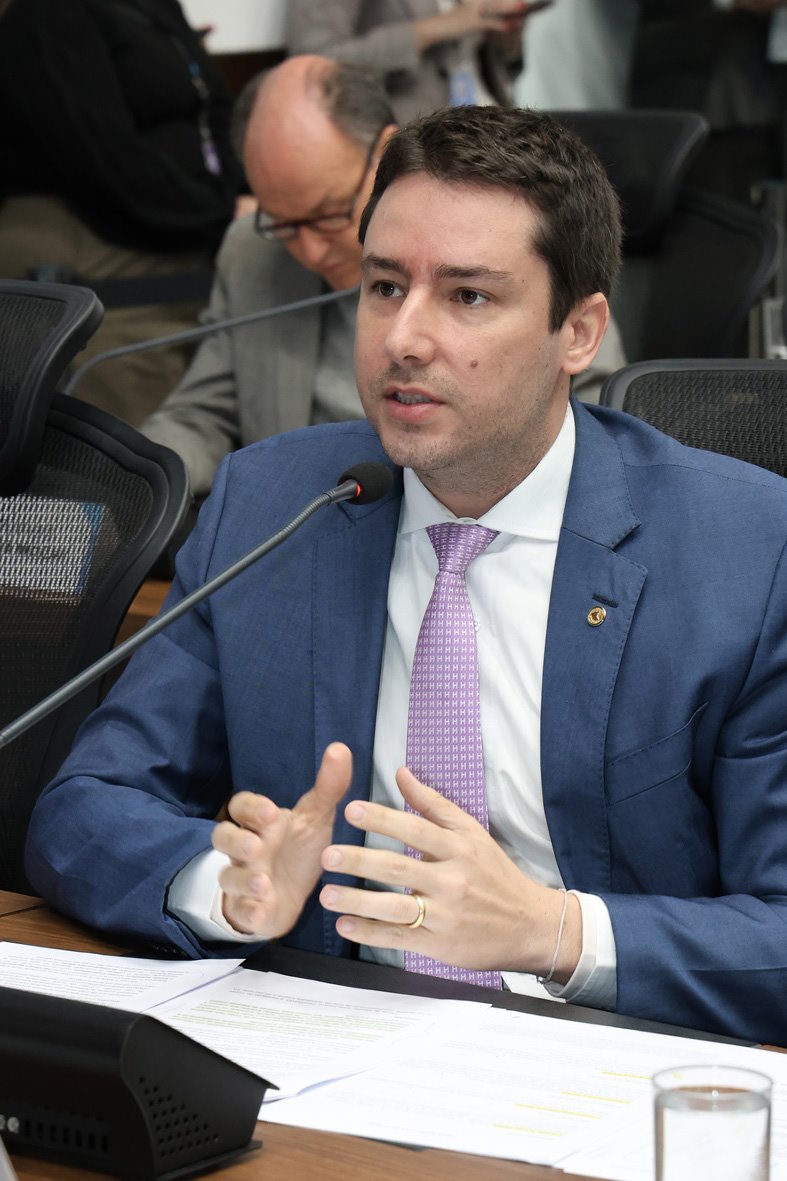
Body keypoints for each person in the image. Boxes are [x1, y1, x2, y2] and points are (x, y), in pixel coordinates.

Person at [27, 103, 787, 1046]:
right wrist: (227, 884)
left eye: (467, 296)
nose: (403, 339)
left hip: (601, 1059)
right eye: (385, 286)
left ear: (579, 332)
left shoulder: (743, 549)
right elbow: (83, 809)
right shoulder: (276, 503)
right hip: (327, 1045)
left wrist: (555, 931)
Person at [142, 55, 623, 500]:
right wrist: (126, 490)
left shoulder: (496, 243)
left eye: (328, 213)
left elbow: (599, 422)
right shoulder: (253, 254)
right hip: (306, 524)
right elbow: (201, 416)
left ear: (382, 153)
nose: (310, 251)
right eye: (284, 223)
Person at [0, 0, 243, 425]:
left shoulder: (155, 6)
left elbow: (217, 107)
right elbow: (104, 164)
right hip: (115, 254)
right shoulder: (49, 15)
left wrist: (240, 192)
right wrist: (222, 213)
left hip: (188, 235)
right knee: (147, 446)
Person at [286, 0, 529, 123]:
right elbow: (314, 64)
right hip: (410, 135)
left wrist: (507, 38)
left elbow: (502, 66)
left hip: (492, 117)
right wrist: (440, 27)